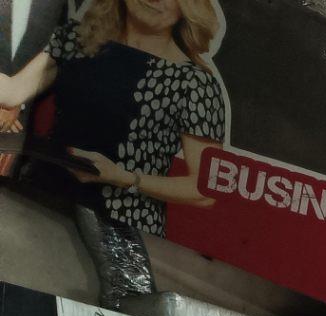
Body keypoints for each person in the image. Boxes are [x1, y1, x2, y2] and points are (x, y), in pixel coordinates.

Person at [0, 0, 228, 235]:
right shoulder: (78, 40)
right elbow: (14, 91)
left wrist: (125, 178)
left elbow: (205, 189)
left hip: (122, 227)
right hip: (41, 201)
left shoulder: (195, 84)